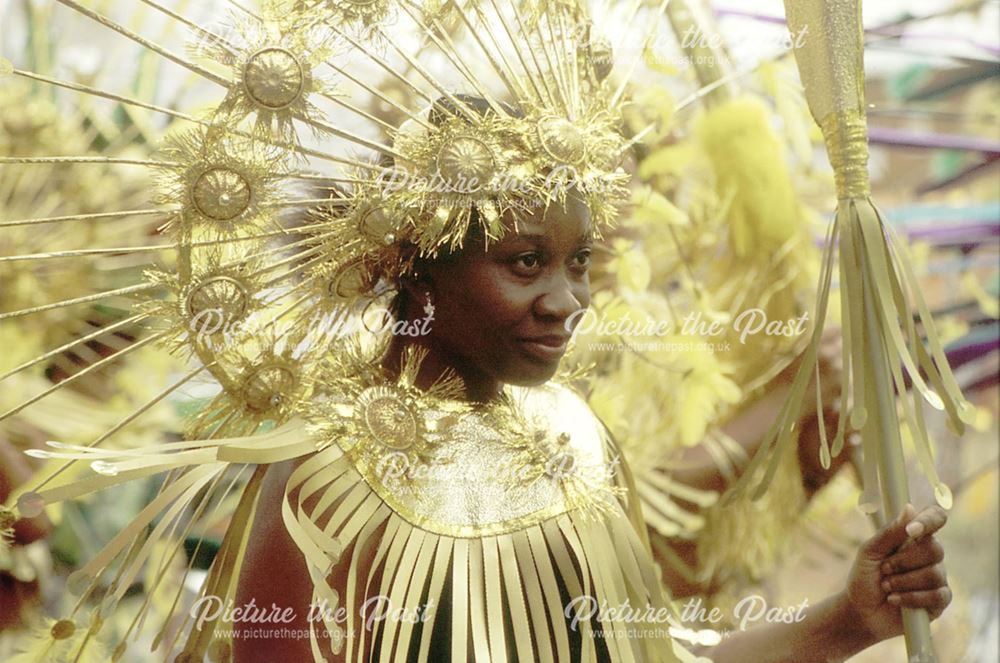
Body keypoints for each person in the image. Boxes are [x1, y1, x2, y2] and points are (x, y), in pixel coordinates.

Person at [233, 177, 951, 662]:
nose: (565, 298)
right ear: (419, 268)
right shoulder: (330, 469)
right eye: (524, 262)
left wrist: (848, 619)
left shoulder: (572, 434)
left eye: (578, 261)